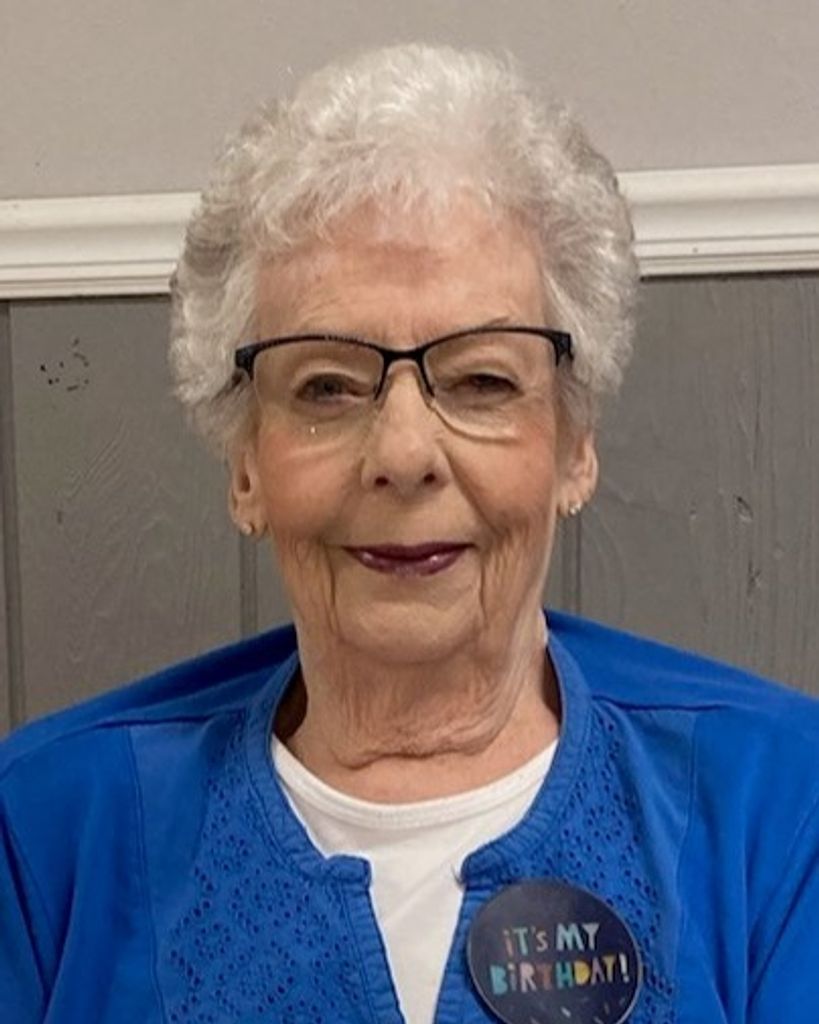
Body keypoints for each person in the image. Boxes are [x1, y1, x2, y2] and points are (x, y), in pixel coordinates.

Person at [1, 42, 818, 1024]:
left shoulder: (782, 804)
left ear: (573, 446)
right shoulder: (42, 830)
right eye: (326, 387)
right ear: (245, 463)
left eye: (481, 380)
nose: (402, 452)